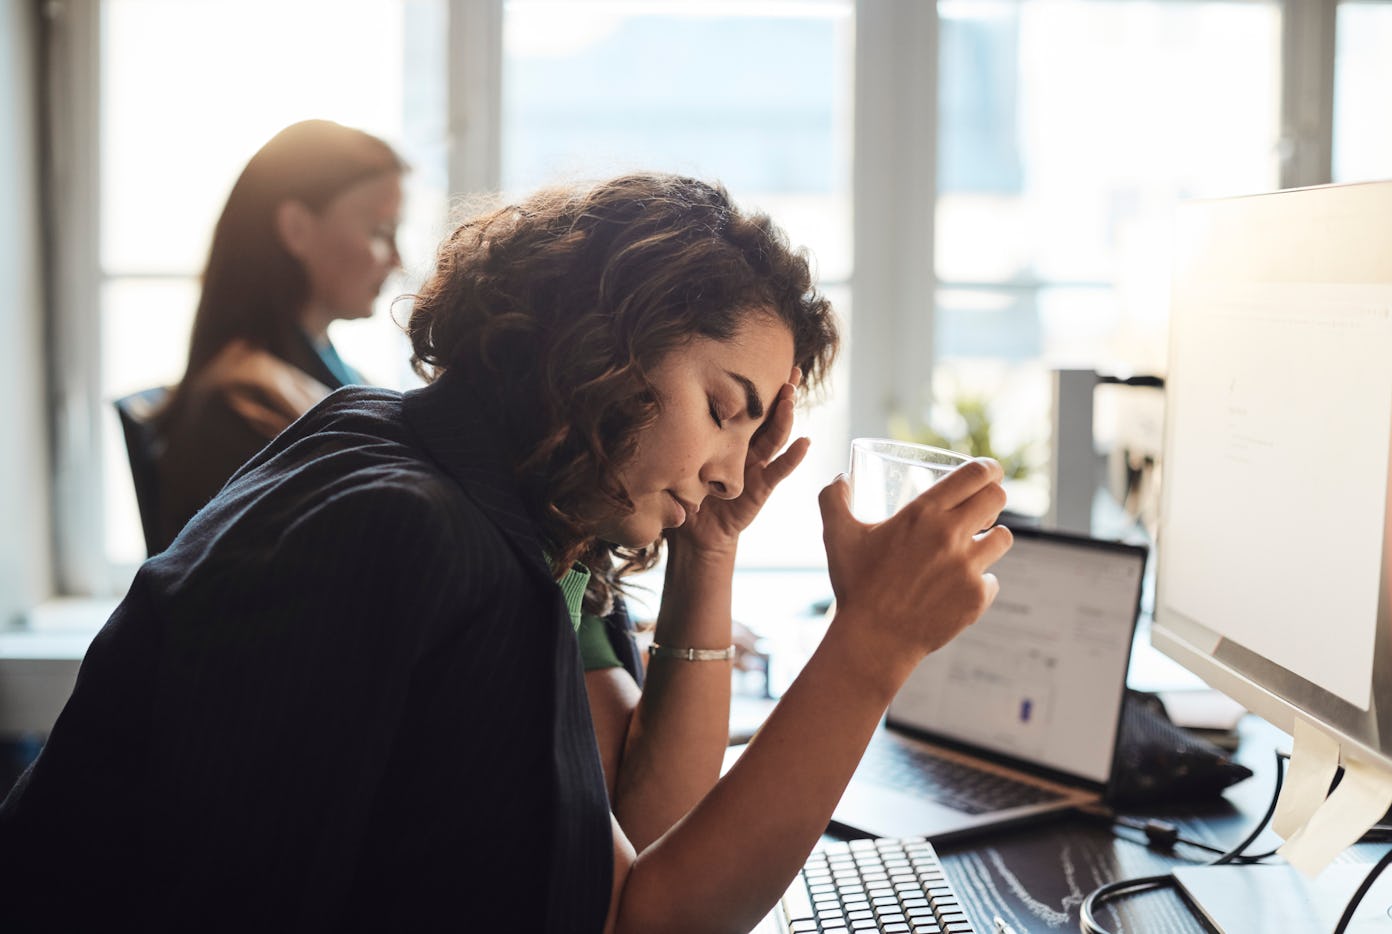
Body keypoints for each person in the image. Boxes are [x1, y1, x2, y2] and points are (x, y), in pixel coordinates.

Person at [0, 172, 1012, 932]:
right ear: (604, 342)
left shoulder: (464, 474)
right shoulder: (435, 544)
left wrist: (710, 550)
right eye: (721, 409)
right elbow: (642, 919)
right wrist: (871, 645)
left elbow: (643, 817)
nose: (730, 470)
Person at [150, 119, 407, 552]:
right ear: (296, 229)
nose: (398, 259)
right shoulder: (242, 398)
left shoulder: (317, 375)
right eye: (381, 232)